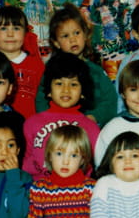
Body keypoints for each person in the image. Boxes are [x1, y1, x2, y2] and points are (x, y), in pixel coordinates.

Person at [35, 3, 118, 126]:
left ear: (85, 34)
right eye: (65, 36)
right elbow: (41, 100)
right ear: (56, 43)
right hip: (58, 128)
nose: (72, 39)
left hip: (90, 128)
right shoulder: (53, 69)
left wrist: (94, 117)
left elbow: (110, 101)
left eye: (77, 33)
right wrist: (48, 120)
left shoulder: (96, 71)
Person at [23, 51, 100, 181]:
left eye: (73, 84)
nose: (66, 90)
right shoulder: (32, 123)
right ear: (49, 90)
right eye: (59, 83)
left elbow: (91, 168)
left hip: (77, 190)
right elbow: (26, 166)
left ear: (83, 92)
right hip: (39, 189)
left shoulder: (90, 128)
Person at [0, 5, 45, 119]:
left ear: (25, 33)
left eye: (16, 28)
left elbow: (44, 99)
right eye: (3, 28)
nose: (10, 34)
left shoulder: (37, 65)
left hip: (30, 125)